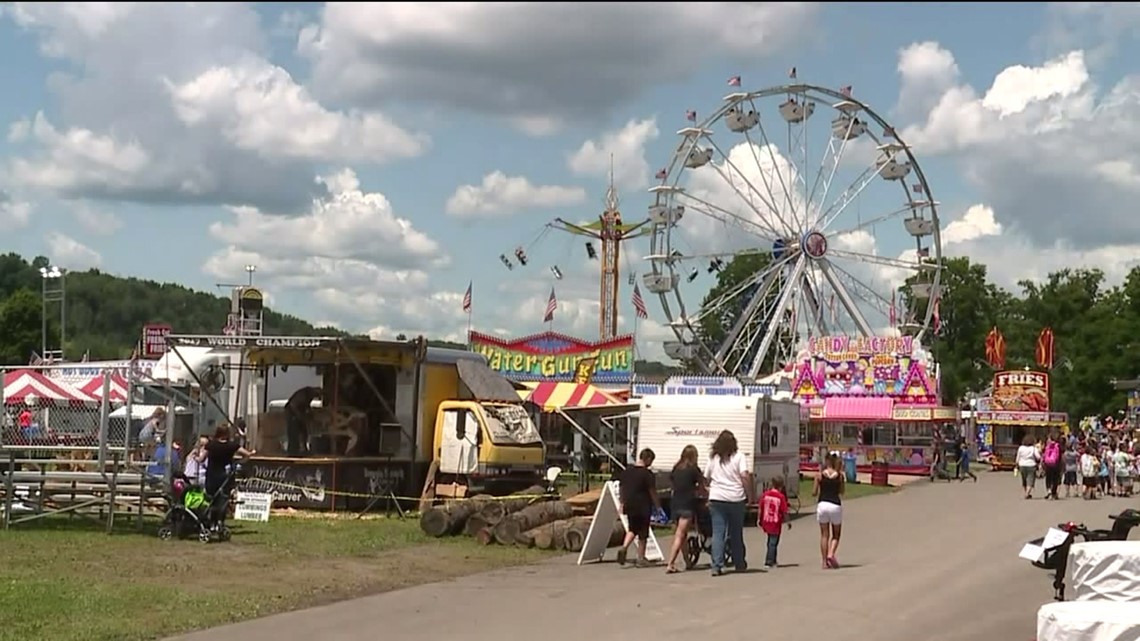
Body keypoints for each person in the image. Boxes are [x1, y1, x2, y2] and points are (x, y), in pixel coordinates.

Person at [707, 430, 752, 576]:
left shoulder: (713, 457)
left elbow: (706, 476)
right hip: (735, 498)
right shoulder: (739, 457)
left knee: (718, 533)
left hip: (717, 498)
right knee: (735, 532)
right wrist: (749, 494)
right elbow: (744, 476)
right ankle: (739, 562)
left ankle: (716, 565)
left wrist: (710, 488)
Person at [193, 423, 255, 527]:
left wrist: (195, 457)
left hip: (211, 476)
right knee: (223, 500)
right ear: (227, 433)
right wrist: (249, 454)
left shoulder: (211, 445)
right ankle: (220, 521)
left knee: (212, 499)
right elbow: (246, 454)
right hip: (225, 476)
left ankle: (212, 522)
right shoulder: (231, 445)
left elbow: (201, 459)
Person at [617, 448, 660, 568]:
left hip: (629, 504)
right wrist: (657, 505)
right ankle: (641, 558)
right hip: (643, 505)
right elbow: (652, 491)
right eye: (651, 461)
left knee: (632, 528)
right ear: (647, 459)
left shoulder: (627, 471)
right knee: (643, 532)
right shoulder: (647, 474)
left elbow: (621, 488)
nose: (651, 464)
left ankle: (624, 547)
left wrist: (622, 503)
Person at [664, 445, 704, 574]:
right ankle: (670, 563)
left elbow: (673, 484)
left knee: (682, 535)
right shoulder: (694, 469)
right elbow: (701, 486)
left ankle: (687, 561)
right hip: (687, 504)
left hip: (675, 504)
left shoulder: (676, 468)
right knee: (680, 535)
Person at [814, 451, 846, 569]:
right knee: (836, 534)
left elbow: (814, 492)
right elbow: (842, 491)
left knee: (824, 535)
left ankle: (823, 562)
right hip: (835, 504)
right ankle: (831, 553)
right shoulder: (840, 475)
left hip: (823, 504)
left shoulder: (819, 475)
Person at [759, 476, 791, 568]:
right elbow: (784, 511)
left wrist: (759, 519)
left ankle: (773, 559)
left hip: (766, 520)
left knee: (771, 540)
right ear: (780, 486)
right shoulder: (781, 497)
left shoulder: (765, 495)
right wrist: (788, 521)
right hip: (775, 522)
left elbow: (761, 508)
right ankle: (769, 561)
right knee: (773, 542)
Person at [285, 386, 321, 457]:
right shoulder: (304, 394)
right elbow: (293, 405)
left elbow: (306, 406)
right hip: (291, 412)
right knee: (293, 432)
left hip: (298, 413)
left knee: (304, 432)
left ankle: (303, 449)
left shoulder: (310, 396)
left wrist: (309, 413)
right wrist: (299, 416)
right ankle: (293, 452)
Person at [1015, 434, 1040, 499]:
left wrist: (1017, 464)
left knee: (1024, 480)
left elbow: (1018, 457)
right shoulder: (1033, 449)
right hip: (1031, 465)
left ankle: (1026, 492)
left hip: (1022, 465)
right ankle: (1027, 493)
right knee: (1030, 480)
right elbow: (1038, 457)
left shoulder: (1021, 448)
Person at [1042, 434, 1063, 500]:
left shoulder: (1047, 446)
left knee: (1048, 479)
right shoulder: (1058, 446)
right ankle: (1054, 493)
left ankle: (1049, 492)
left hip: (1048, 464)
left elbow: (1044, 455)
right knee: (1055, 480)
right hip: (1056, 465)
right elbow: (1059, 457)